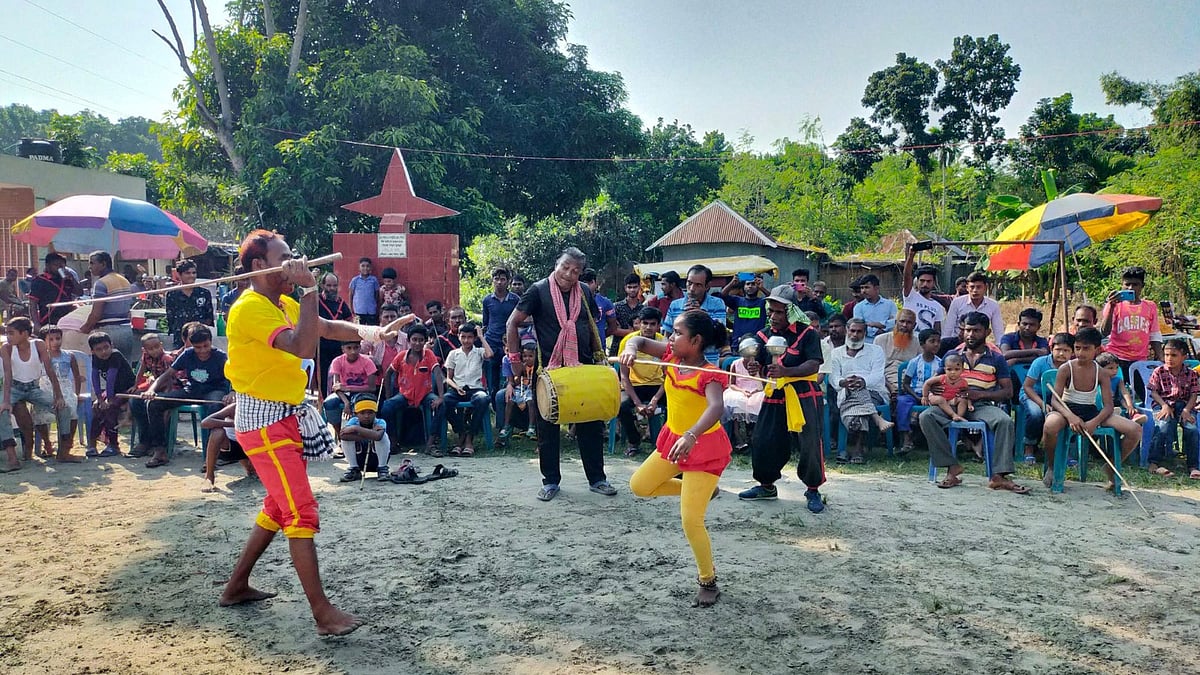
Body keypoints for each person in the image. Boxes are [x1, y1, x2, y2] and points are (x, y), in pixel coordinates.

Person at [220, 229, 405, 636]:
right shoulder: (249, 308)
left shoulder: (281, 302)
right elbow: (302, 346)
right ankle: (322, 613)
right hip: (264, 422)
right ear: (258, 266)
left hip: (283, 417)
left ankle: (235, 587)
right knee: (300, 512)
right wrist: (308, 288)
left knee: (278, 505)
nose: (295, 264)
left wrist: (374, 334)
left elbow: (324, 327)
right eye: (284, 259)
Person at [622, 308, 732, 608]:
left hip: (703, 446)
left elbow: (716, 407)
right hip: (675, 439)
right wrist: (630, 348)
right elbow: (640, 342)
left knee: (690, 520)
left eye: (678, 333)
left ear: (696, 341)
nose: (670, 338)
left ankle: (708, 581)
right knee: (640, 486)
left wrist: (692, 435)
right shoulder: (671, 355)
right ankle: (704, 492)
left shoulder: (710, 373)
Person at [506, 246, 617, 501]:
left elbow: (590, 324)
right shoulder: (537, 290)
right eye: (565, 267)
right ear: (556, 264)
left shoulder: (585, 291)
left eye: (575, 271)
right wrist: (514, 360)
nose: (569, 274)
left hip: (582, 368)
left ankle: (597, 479)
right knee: (547, 428)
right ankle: (550, 482)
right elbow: (513, 322)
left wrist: (598, 356)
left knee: (591, 424)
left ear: (581, 273)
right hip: (549, 370)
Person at [737, 285, 826, 513]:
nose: (774, 316)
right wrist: (754, 367)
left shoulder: (808, 333)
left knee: (809, 443)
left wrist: (786, 372)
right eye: (771, 311)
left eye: (779, 312)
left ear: (791, 311)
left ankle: (813, 489)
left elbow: (813, 364)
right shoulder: (763, 335)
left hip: (803, 394)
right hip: (775, 393)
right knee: (764, 439)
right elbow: (759, 365)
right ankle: (766, 485)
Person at [919, 312, 1029, 494]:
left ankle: (999, 476)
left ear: (987, 332)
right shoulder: (952, 355)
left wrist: (980, 395)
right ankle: (952, 467)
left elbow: (1007, 392)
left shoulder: (996, 358)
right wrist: (934, 392)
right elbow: (936, 381)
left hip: (981, 405)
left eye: (976, 330)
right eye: (967, 330)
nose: (970, 335)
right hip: (951, 404)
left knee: (1004, 421)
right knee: (926, 417)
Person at [1041, 327, 1141, 490]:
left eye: (1086, 348)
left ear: (1097, 349)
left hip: (1091, 411)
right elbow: (1055, 400)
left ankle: (1111, 466)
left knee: (1135, 430)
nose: (1080, 353)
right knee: (1050, 425)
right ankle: (1052, 466)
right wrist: (1071, 416)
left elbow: (1108, 406)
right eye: (1077, 348)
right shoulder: (1066, 368)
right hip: (1066, 409)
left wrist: (1094, 422)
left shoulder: (1101, 373)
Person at [142, 326, 231, 468]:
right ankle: (160, 451)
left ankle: (211, 456)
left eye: (206, 346)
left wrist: (232, 392)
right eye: (198, 347)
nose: (202, 351)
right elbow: (167, 374)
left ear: (211, 341)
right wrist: (151, 390)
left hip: (214, 391)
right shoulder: (187, 354)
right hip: (192, 390)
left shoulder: (220, 356)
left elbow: (233, 377)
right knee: (154, 403)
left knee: (215, 407)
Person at [1, 317, 72, 460]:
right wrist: (6, 401)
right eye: (7, 333)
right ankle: (12, 457)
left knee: (64, 409)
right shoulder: (6, 348)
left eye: (11, 333)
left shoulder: (38, 345)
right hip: (15, 388)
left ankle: (63, 453)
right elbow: (8, 374)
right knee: (2, 411)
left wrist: (58, 396)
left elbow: (50, 370)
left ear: (24, 333)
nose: (8, 336)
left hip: (34, 389)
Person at [830, 318, 894, 463]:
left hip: (874, 392)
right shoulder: (836, 353)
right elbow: (834, 378)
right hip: (845, 393)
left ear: (865, 333)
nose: (855, 335)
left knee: (860, 390)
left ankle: (851, 450)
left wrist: (863, 382)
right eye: (852, 331)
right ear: (847, 331)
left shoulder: (876, 351)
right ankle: (861, 445)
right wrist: (844, 382)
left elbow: (878, 376)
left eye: (859, 331)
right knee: (856, 393)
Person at [380, 323, 444, 454]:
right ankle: (393, 442)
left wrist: (441, 397)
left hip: (425, 394)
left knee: (441, 405)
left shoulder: (429, 355)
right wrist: (388, 395)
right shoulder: (401, 356)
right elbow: (388, 374)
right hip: (404, 394)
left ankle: (431, 443)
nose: (417, 343)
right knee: (386, 407)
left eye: (421, 340)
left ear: (425, 341)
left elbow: (437, 373)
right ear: (409, 341)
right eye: (414, 340)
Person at [1146, 338, 1200, 479]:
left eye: (1174, 355)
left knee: (1192, 429)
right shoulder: (1159, 371)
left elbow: (1194, 395)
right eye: (1166, 355)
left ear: (1184, 357)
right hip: (1162, 404)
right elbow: (1154, 392)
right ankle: (1154, 462)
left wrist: (1187, 410)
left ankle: (1193, 466)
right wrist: (1164, 406)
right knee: (1162, 427)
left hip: (1184, 406)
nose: (1169, 358)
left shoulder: (1191, 374)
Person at [1020, 333, 1076, 463]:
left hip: (1059, 397)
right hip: (1033, 394)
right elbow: (1027, 387)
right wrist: (1042, 404)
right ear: (1051, 349)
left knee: (1071, 414)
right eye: (1058, 349)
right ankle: (1029, 447)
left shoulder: (1073, 366)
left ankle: (1065, 450)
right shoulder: (1040, 362)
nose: (1061, 354)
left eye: (1066, 350)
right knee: (1036, 413)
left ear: (1072, 352)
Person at [617, 306, 665, 457]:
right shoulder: (628, 342)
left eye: (652, 324)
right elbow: (624, 376)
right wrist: (637, 403)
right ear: (639, 323)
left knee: (678, 401)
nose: (648, 327)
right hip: (634, 386)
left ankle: (665, 442)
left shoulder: (664, 343)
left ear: (658, 326)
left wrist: (655, 400)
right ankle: (634, 441)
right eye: (645, 323)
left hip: (658, 387)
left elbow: (669, 377)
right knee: (621, 406)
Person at [1101, 266, 1163, 379]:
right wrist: (1111, 306)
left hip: (1140, 360)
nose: (1130, 288)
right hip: (1116, 358)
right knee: (1117, 388)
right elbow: (1104, 332)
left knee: (1140, 388)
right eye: (1127, 284)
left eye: (1135, 284)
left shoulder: (1150, 306)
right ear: (1122, 285)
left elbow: (1154, 334)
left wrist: (1160, 356)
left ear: (1142, 286)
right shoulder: (1115, 305)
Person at [33, 326, 83, 461]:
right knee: (40, 412)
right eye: (51, 339)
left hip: (65, 387)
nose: (55, 342)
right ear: (43, 341)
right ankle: (47, 443)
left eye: (58, 338)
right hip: (46, 386)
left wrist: (77, 394)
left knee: (71, 409)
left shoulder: (69, 356)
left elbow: (77, 376)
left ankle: (66, 445)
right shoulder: (40, 356)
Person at [443, 322, 492, 457]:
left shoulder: (479, 352)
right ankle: (461, 432)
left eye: (470, 337)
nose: (466, 340)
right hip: (457, 389)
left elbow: (490, 354)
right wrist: (456, 387)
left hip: (475, 389)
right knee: (445, 401)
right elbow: (448, 378)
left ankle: (470, 436)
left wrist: (481, 337)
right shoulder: (453, 354)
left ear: (474, 338)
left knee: (483, 399)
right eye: (463, 337)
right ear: (458, 337)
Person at [663, 265, 727, 365]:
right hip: (680, 364)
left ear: (707, 286)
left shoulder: (717, 304)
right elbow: (667, 335)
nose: (692, 288)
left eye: (698, 285)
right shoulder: (675, 305)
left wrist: (700, 315)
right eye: (689, 283)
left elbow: (720, 335)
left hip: (709, 364)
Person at [78, 251, 136, 358]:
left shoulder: (101, 283)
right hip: (126, 330)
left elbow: (96, 314)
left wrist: (85, 328)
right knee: (125, 366)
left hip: (108, 332)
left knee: (106, 366)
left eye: (92, 263)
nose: (89, 267)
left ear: (103, 264)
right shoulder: (124, 280)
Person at [86, 331, 135, 458]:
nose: (104, 352)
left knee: (110, 409)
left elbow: (111, 379)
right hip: (112, 390)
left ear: (111, 346)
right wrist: (99, 399)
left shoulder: (115, 356)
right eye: (99, 349)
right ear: (92, 351)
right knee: (96, 407)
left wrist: (108, 400)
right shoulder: (95, 358)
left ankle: (113, 445)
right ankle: (92, 444)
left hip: (127, 390)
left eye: (106, 347)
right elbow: (94, 377)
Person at [897, 329, 941, 454]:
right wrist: (917, 397)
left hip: (932, 394)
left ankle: (936, 441)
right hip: (914, 394)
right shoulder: (915, 362)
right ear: (922, 344)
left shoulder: (940, 363)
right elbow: (906, 383)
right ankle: (906, 437)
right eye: (932, 341)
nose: (936, 344)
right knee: (902, 402)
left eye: (938, 341)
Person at [322, 341, 379, 436]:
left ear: (360, 348)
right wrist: (346, 402)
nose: (353, 351)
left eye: (356, 348)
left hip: (363, 393)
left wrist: (348, 388)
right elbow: (336, 387)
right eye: (349, 348)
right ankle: (340, 434)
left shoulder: (367, 362)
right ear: (343, 349)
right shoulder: (338, 361)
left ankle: (361, 435)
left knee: (359, 406)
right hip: (343, 394)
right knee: (329, 403)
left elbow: (372, 388)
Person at [482, 267, 521, 398]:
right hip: (491, 343)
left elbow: (519, 321)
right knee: (492, 380)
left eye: (503, 279)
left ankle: (509, 401)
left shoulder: (515, 299)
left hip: (509, 343)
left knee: (510, 376)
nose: (499, 282)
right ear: (492, 280)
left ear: (508, 281)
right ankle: (493, 402)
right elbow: (485, 323)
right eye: (496, 279)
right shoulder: (487, 300)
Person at [724, 337, 765, 452]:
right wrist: (742, 391)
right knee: (735, 401)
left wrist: (755, 391)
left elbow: (762, 383)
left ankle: (753, 434)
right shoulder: (735, 364)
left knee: (758, 401)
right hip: (740, 390)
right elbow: (731, 384)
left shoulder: (759, 365)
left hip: (756, 390)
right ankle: (738, 437)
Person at [337, 398, 393, 483]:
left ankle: (382, 468)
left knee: (384, 436)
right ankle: (354, 468)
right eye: (362, 413)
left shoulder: (380, 422)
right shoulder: (353, 421)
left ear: (375, 413)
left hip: (376, 460)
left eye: (370, 413)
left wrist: (356, 429)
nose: (366, 416)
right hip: (360, 460)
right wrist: (370, 434)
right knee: (346, 439)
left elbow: (378, 436)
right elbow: (343, 435)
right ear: (356, 414)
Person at [201, 402, 256, 487]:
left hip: (252, 446)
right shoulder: (235, 407)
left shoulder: (263, 408)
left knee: (254, 473)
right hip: (231, 446)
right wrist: (234, 424)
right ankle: (209, 476)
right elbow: (205, 422)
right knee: (217, 432)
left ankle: (251, 468)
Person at [317, 272, 354, 395]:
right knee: (322, 376)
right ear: (322, 286)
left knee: (338, 375)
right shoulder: (316, 301)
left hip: (338, 347)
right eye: (328, 285)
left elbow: (350, 321)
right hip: (321, 346)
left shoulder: (341, 303)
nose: (332, 288)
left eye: (334, 285)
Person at [164, 260, 214, 348]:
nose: (192, 276)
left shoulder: (204, 293)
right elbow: (170, 317)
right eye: (188, 273)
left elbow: (209, 316)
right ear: (179, 275)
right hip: (180, 338)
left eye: (194, 273)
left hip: (201, 338)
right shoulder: (172, 294)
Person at [942, 272, 1004, 341]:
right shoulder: (957, 302)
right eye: (972, 287)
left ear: (985, 288)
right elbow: (948, 329)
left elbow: (999, 332)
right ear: (967, 288)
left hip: (980, 344)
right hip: (958, 342)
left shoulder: (993, 305)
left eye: (978, 287)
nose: (975, 290)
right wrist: (945, 343)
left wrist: (1000, 345)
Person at [872, 308, 921, 397]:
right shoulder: (880, 340)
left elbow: (919, 370)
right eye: (902, 321)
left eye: (909, 322)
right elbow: (875, 370)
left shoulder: (918, 343)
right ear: (895, 322)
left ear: (914, 326)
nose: (904, 325)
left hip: (909, 384)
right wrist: (890, 387)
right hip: (884, 383)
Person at [496, 341, 538, 443]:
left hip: (531, 389)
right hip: (520, 387)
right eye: (525, 356)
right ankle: (505, 426)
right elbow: (514, 380)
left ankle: (531, 426)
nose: (527, 359)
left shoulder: (536, 366)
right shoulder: (510, 361)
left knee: (530, 401)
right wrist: (518, 374)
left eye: (530, 356)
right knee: (507, 398)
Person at [28, 253, 77, 330]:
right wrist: (36, 324)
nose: (59, 268)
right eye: (56, 265)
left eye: (62, 266)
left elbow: (79, 292)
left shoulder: (66, 280)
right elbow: (33, 304)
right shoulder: (39, 281)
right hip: (48, 320)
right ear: (48, 266)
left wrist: (72, 279)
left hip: (66, 320)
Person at [901, 248, 945, 334]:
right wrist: (911, 256)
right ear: (917, 282)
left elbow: (937, 331)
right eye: (922, 281)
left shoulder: (938, 307)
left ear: (934, 283)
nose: (925, 284)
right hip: (907, 338)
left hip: (925, 341)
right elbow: (907, 276)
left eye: (928, 281)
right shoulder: (910, 296)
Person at [718, 273, 767, 341]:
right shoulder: (737, 301)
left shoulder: (763, 302)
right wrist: (732, 283)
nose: (750, 286)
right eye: (748, 284)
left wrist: (762, 288)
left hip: (757, 342)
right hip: (738, 342)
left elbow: (776, 302)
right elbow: (722, 296)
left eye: (753, 284)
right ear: (743, 287)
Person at [924, 353, 972, 421]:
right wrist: (925, 396)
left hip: (951, 400)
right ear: (945, 369)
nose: (953, 372)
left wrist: (969, 404)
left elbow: (967, 394)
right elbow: (927, 383)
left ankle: (959, 417)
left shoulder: (963, 382)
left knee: (963, 400)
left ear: (962, 370)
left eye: (957, 369)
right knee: (940, 400)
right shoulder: (942, 378)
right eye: (949, 369)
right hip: (937, 399)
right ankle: (953, 415)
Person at [360, 304, 405, 371]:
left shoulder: (405, 338)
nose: (390, 320)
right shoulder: (373, 335)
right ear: (380, 318)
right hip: (377, 375)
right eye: (386, 317)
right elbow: (358, 353)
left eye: (393, 317)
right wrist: (370, 359)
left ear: (397, 318)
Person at [611, 273, 644, 355]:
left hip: (638, 350)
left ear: (639, 287)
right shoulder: (616, 307)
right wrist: (634, 331)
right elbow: (613, 330)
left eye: (635, 287)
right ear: (625, 288)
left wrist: (622, 331)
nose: (632, 290)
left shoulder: (644, 309)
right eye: (629, 287)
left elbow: (644, 330)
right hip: (617, 348)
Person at [348, 257, 381, 325]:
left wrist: (376, 307)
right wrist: (351, 309)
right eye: (363, 266)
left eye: (367, 266)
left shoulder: (374, 280)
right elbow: (351, 295)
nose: (365, 268)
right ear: (359, 268)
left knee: (371, 328)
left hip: (371, 310)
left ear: (370, 268)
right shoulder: (355, 280)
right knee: (358, 328)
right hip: (358, 310)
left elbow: (377, 295)